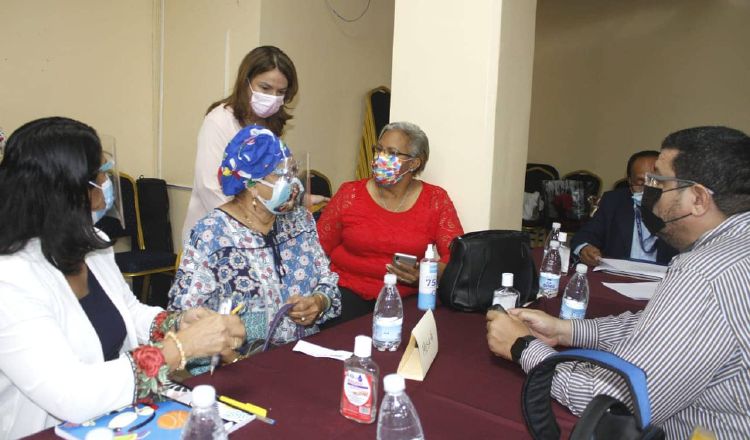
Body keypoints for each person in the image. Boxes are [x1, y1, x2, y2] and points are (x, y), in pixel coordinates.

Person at [486, 126, 750, 438]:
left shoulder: (704, 273)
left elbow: (613, 401)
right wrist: (566, 330)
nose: (647, 192)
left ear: (697, 199)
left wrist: (522, 347)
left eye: (659, 181)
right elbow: (657, 325)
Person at [0, 117, 246, 438]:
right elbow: (73, 395)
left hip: (116, 420)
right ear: (66, 191)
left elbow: (128, 312)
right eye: (99, 175)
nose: (107, 184)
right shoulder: (11, 279)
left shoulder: (91, 245)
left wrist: (178, 323)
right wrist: (179, 349)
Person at [169, 125, 341, 374]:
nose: (292, 182)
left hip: (302, 357)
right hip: (238, 368)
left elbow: (328, 282)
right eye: (280, 175)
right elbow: (183, 317)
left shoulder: (301, 221)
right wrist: (232, 355)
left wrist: (319, 302)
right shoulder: (213, 233)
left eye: (293, 172)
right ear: (250, 183)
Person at [317, 121, 464, 325]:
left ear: (414, 163)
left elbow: (457, 256)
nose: (380, 158)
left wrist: (426, 273)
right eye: (379, 150)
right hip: (347, 293)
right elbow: (317, 248)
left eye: (392, 153)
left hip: (406, 299)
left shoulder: (435, 199)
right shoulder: (349, 193)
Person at [182, 45, 299, 241]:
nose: (272, 98)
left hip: (256, 230)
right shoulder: (219, 120)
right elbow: (209, 187)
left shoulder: (269, 126)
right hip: (215, 233)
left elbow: (270, 179)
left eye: (281, 92)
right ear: (246, 82)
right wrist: (247, 226)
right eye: (265, 88)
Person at [571, 150, 678, 266]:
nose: (649, 189)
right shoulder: (613, 201)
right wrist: (584, 248)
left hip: (664, 280)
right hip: (618, 277)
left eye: (657, 181)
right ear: (630, 183)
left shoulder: (682, 208)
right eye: (641, 183)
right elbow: (584, 236)